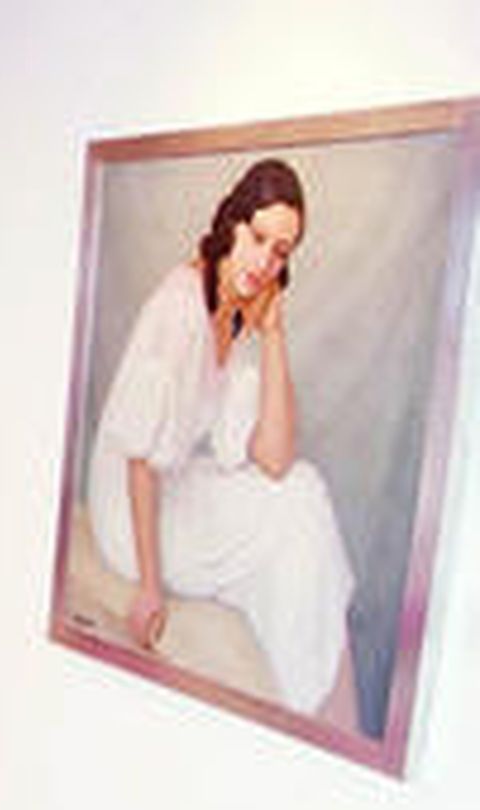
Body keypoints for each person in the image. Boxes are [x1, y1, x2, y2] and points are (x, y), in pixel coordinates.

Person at [86, 158, 360, 730]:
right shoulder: (179, 306)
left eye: (282, 251)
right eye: (258, 238)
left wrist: (275, 331)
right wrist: (150, 589)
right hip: (130, 503)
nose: (265, 262)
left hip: (175, 479)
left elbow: (275, 458)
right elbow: (139, 459)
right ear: (232, 224)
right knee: (293, 516)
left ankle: (315, 705)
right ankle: (325, 717)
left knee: (303, 491)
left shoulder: (235, 311)